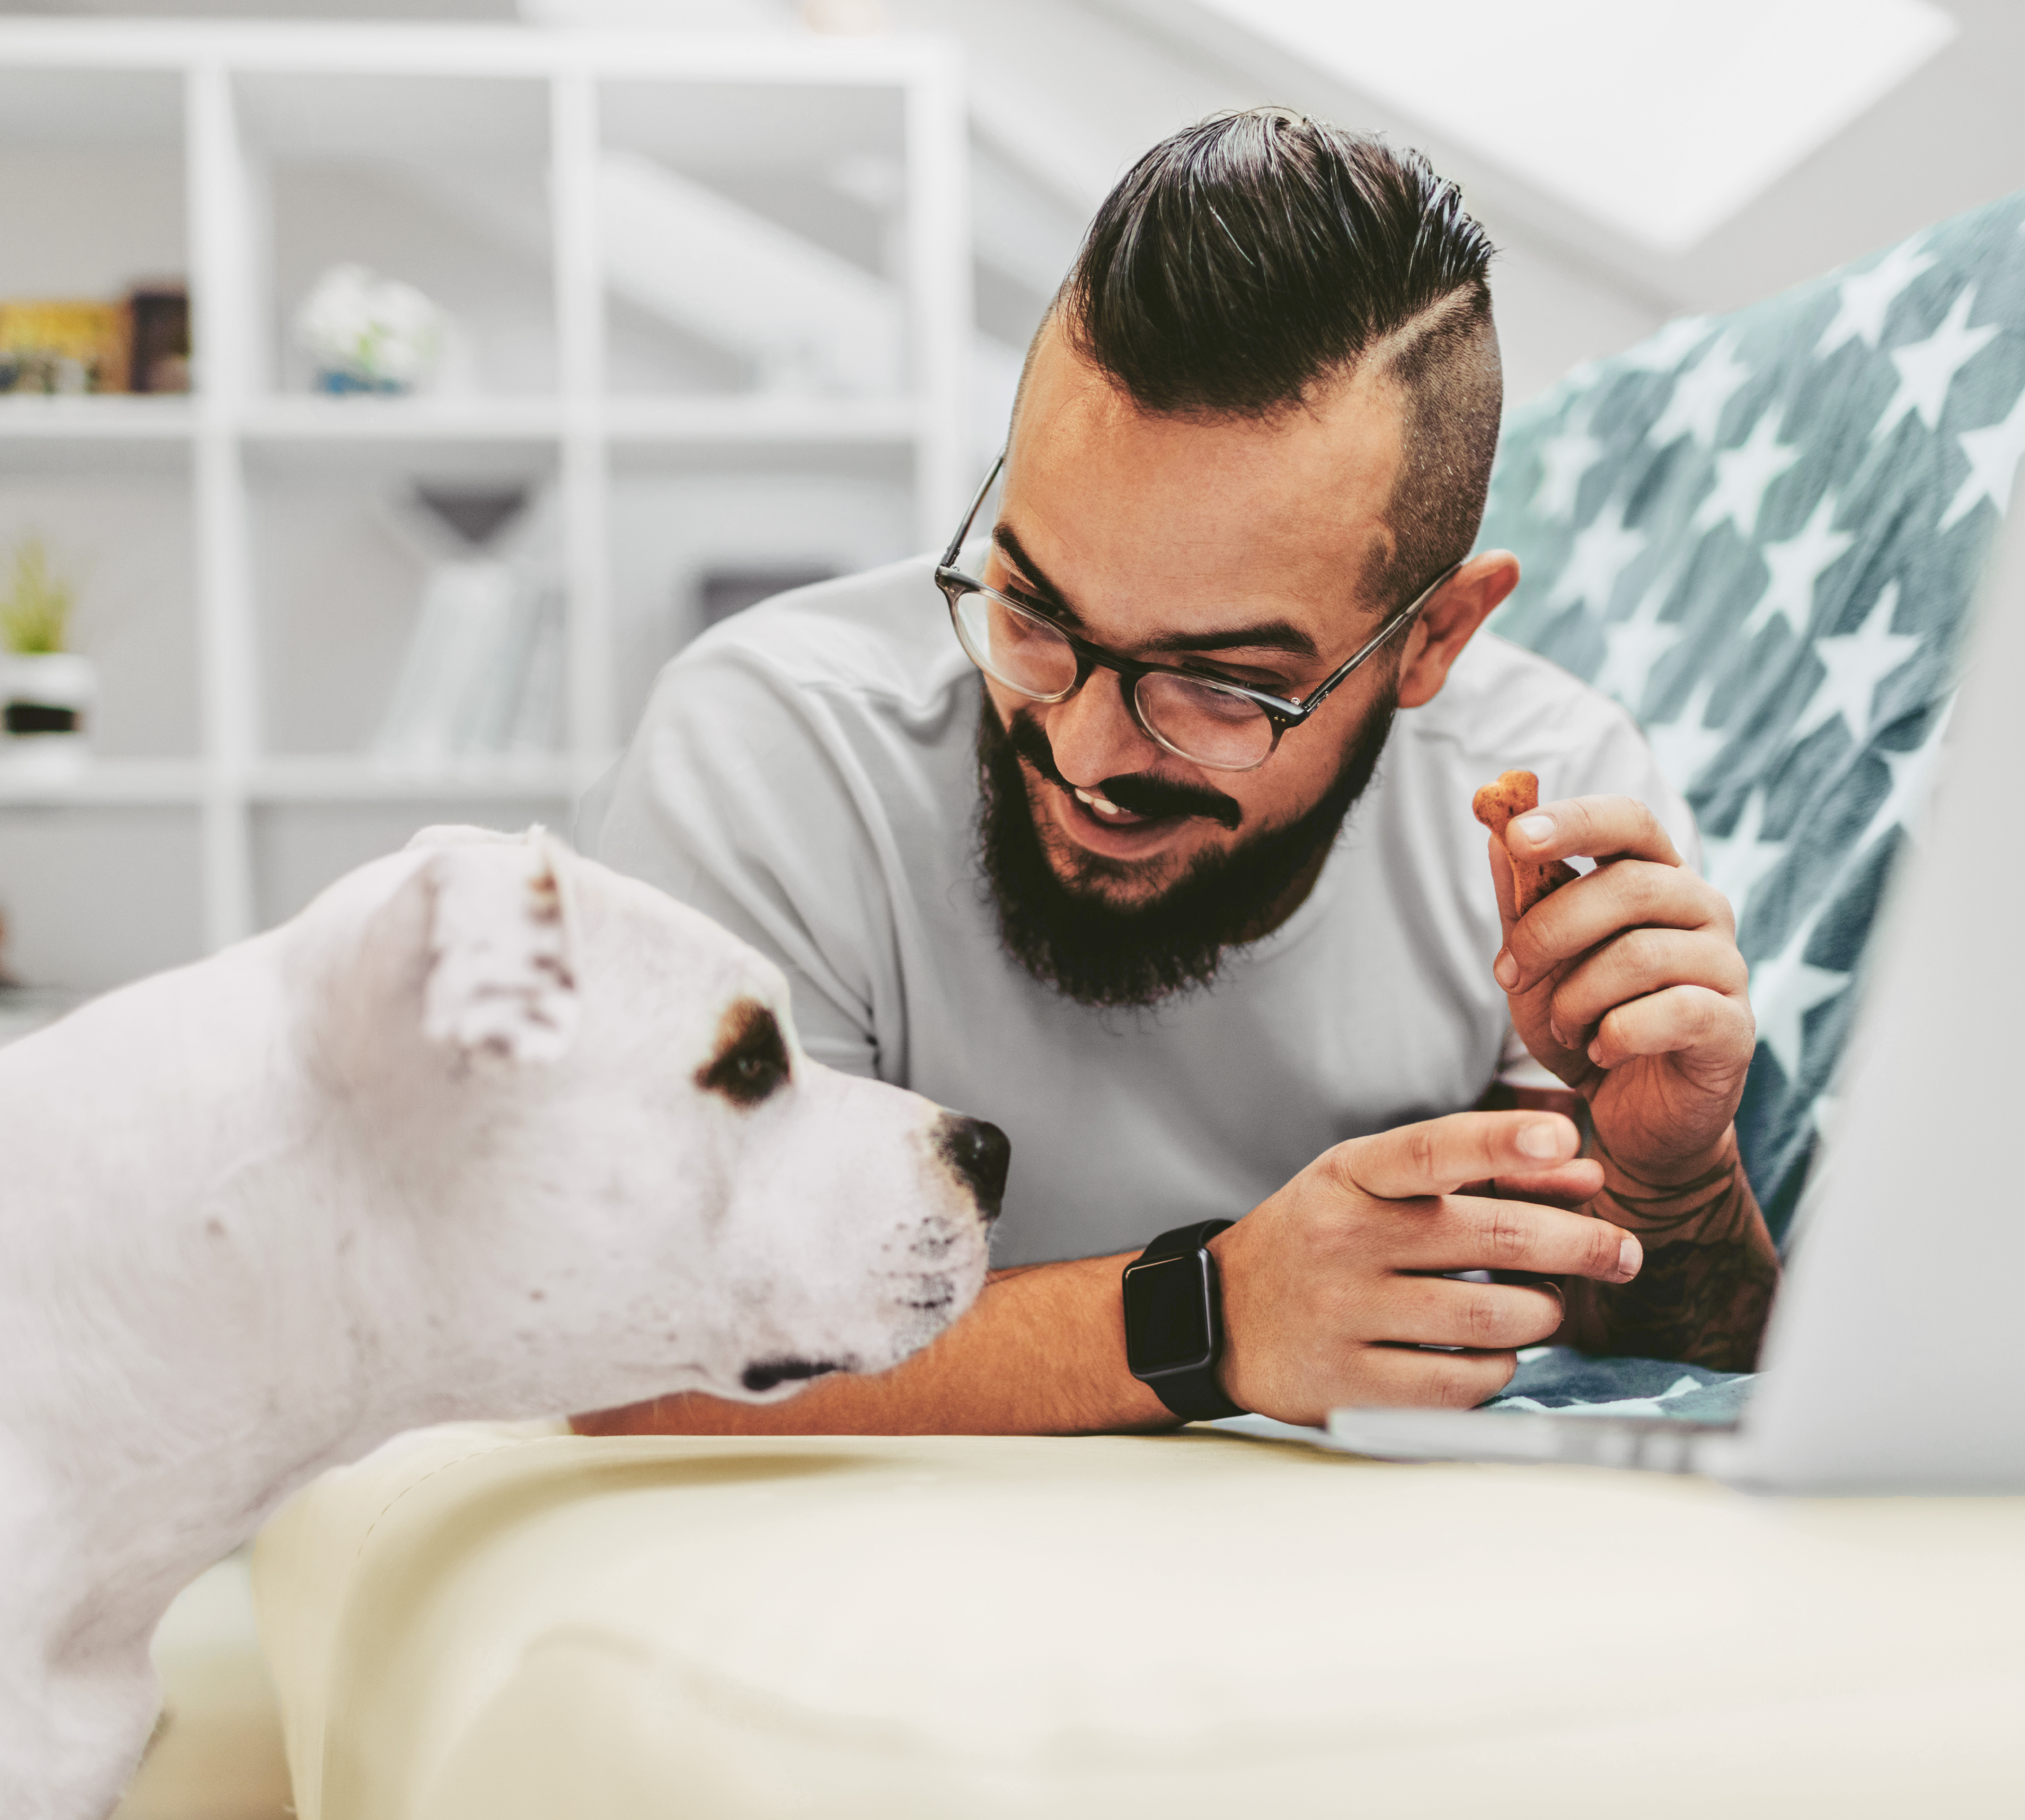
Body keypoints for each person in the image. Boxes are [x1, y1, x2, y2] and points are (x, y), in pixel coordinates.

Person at [574, 108, 1774, 1436]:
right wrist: (1209, 1316)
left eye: (1220, 684)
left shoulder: (1547, 799)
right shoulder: (776, 751)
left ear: (1431, 637)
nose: (1086, 753)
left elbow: (1654, 1341)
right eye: (1033, 608)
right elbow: (638, 1362)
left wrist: (1673, 1184)